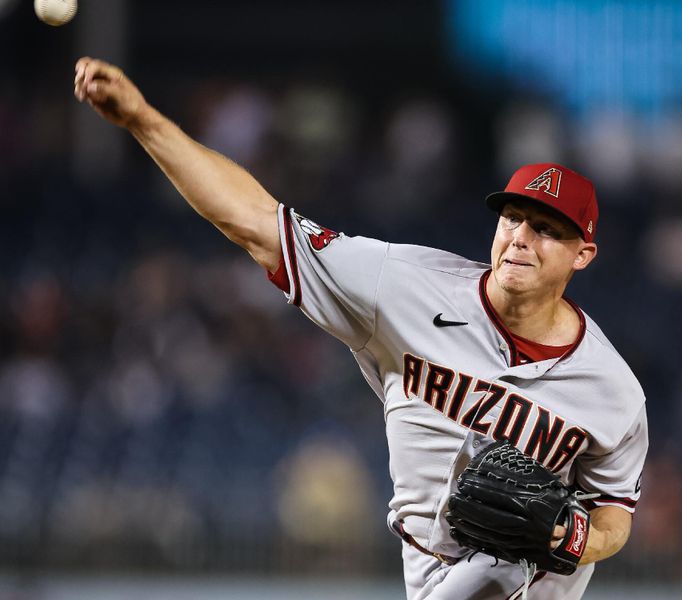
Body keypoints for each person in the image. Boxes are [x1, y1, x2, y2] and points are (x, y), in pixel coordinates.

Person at [73, 57, 647, 600]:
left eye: (546, 228)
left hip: (531, 587)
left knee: (504, 561)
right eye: (513, 217)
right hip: (432, 578)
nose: (521, 236)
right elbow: (253, 221)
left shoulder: (613, 391)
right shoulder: (402, 287)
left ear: (583, 254)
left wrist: (574, 539)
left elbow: (615, 513)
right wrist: (143, 120)